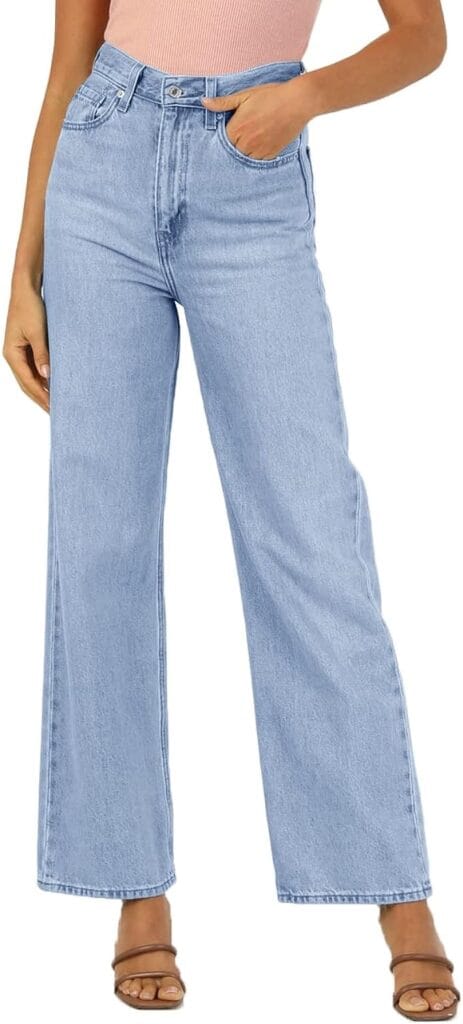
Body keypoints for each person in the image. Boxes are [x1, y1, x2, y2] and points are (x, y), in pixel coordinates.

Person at [3, 0, 459, 1017]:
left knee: (311, 537)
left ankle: (395, 887)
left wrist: (306, 96)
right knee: (101, 544)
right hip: (100, 167)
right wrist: (23, 270)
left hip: (248, 173)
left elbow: (421, 37)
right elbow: (69, 66)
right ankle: (134, 883)